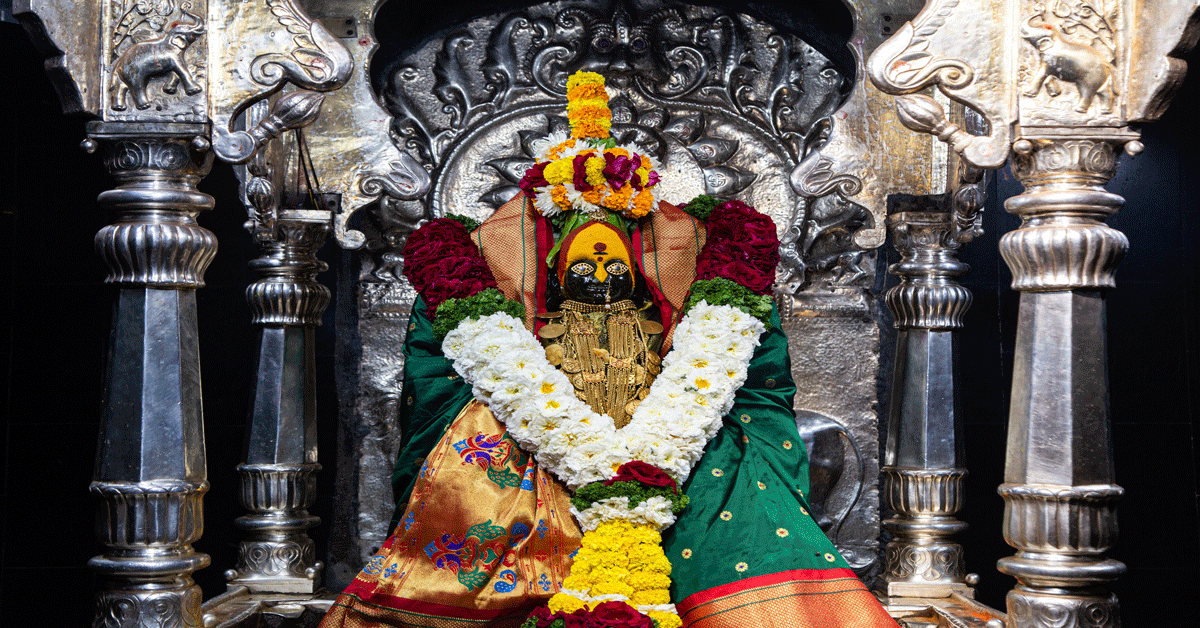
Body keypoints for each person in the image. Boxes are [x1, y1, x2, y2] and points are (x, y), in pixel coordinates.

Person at [320, 72, 895, 628]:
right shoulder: (527, 321)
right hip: (541, 443)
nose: (599, 272)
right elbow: (450, 389)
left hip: (673, 441)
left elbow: (750, 385)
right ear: (553, 271)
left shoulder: (672, 318)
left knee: (736, 487)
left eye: (613, 262)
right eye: (584, 264)